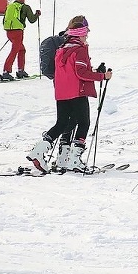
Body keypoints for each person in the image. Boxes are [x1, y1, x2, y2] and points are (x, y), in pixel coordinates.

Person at [25, 16, 112, 173]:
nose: (86, 37)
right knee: (84, 122)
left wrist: (93, 72)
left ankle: (39, 151)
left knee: (63, 123)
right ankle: (74, 159)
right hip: (77, 92)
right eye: (85, 34)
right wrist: (102, 76)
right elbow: (81, 73)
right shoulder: (79, 50)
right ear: (79, 34)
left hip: (61, 93)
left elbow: (70, 71)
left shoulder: (61, 49)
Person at [0, 0, 40, 81]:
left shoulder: (10, 6)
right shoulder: (25, 7)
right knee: (14, 51)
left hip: (9, 32)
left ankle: (20, 70)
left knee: (21, 49)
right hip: (18, 32)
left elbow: (4, 20)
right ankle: (6, 72)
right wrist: (37, 14)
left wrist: (10, 29)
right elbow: (32, 20)